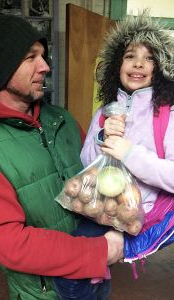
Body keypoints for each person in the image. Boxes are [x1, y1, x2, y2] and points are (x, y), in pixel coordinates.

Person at [0, 15, 124, 300]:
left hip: (95, 280)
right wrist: (100, 251)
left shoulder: (62, 119)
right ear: (1, 67)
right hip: (44, 292)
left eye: (43, 55)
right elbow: (11, 244)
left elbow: (96, 181)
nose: (45, 66)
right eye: (31, 57)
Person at [54, 11, 174, 299]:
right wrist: (102, 138)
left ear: (161, 68)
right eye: (130, 55)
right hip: (101, 210)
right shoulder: (105, 111)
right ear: (116, 64)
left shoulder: (169, 114)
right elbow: (87, 166)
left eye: (149, 58)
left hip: (145, 216)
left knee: (75, 277)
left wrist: (130, 153)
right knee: (76, 273)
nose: (138, 64)